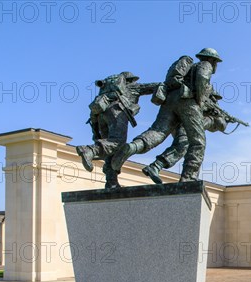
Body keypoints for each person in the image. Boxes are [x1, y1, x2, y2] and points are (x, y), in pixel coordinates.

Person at [111, 48, 222, 182]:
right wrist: (199, 101)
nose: (216, 65)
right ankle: (189, 178)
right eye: (216, 62)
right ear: (212, 59)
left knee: (157, 132)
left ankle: (133, 146)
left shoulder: (187, 71)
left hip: (170, 99)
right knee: (198, 142)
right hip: (188, 102)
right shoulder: (205, 64)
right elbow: (202, 78)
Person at [76, 71, 158, 188]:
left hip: (100, 113)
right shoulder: (133, 87)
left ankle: (111, 181)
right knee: (118, 142)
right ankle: (89, 150)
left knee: (110, 149)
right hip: (117, 111)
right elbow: (154, 86)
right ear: (129, 80)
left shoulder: (107, 91)